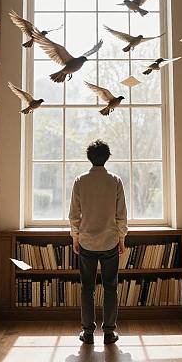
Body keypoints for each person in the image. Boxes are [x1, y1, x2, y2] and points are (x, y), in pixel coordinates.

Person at [68, 139, 128, 345]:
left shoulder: (80, 181)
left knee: (87, 288)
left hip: (86, 242)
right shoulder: (115, 181)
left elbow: (74, 215)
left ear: (89, 158)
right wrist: (121, 239)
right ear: (107, 157)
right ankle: (109, 332)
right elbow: (121, 215)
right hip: (110, 241)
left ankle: (88, 332)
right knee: (111, 287)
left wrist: (75, 238)